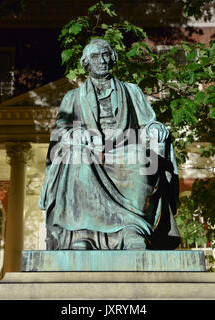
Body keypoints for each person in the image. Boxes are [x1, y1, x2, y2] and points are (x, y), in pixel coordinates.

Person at [38, 38, 180, 250]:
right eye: (96, 57)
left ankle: (133, 230)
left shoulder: (131, 91)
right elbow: (61, 130)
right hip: (89, 149)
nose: (102, 61)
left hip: (125, 146)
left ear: (112, 59)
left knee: (142, 159)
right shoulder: (73, 97)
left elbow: (148, 121)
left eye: (106, 55)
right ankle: (80, 234)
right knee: (77, 159)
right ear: (86, 63)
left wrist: (154, 128)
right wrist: (76, 134)